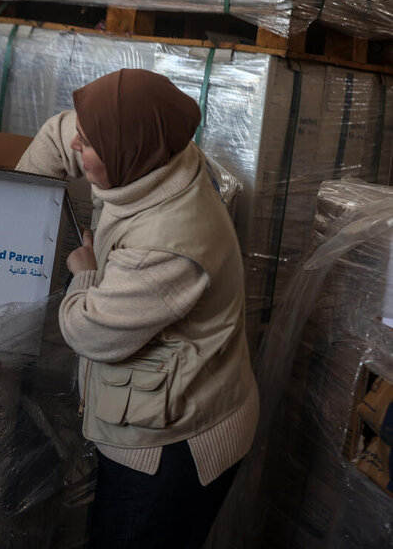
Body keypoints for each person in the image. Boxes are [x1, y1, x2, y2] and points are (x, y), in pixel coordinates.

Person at [16, 69, 259, 548]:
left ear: (129, 152)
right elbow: (57, 134)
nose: (77, 150)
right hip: (157, 414)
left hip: (173, 450)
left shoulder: (170, 246)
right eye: (83, 140)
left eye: (89, 147)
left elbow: (89, 332)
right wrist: (20, 218)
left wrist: (83, 271)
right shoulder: (147, 146)